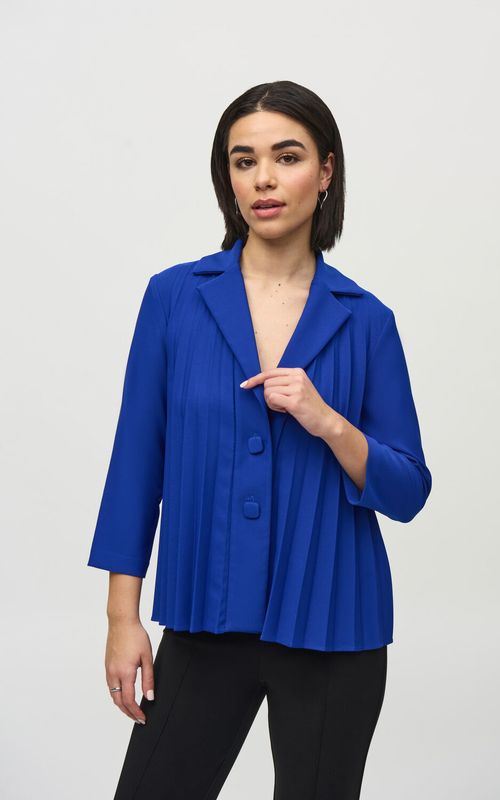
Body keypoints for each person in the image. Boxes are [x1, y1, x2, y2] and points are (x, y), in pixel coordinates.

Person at [87, 79, 432, 799]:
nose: (264, 179)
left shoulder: (367, 320)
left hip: (335, 622)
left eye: (287, 157)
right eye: (244, 161)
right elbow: (135, 465)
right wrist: (123, 618)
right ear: (229, 179)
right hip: (205, 617)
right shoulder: (175, 298)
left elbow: (407, 491)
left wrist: (328, 420)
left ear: (326, 172)